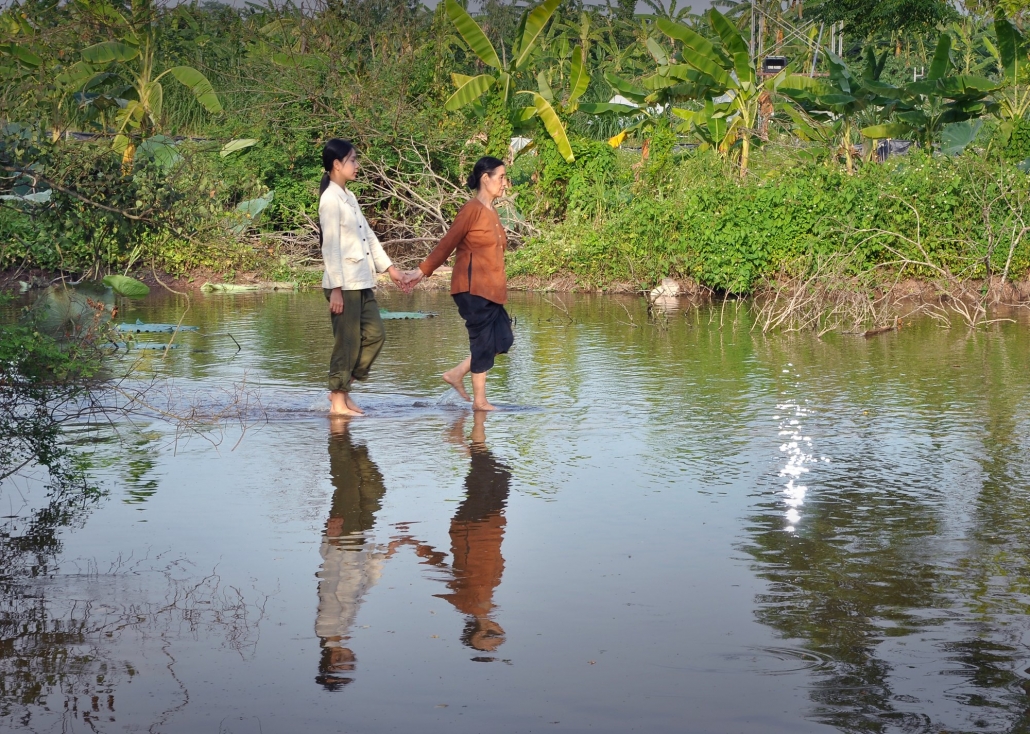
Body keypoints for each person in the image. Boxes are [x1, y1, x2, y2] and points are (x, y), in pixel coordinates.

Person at [403, 157, 513, 411]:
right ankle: (480, 402)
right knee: (483, 341)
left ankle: (457, 373)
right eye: (501, 177)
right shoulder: (471, 209)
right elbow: (448, 242)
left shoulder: (492, 211)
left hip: (492, 290)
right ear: (485, 178)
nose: (504, 183)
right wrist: (421, 272)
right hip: (472, 288)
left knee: (503, 339)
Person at [319, 138, 406, 416]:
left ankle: (340, 392)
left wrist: (391, 269)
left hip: (362, 280)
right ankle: (338, 400)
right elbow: (330, 246)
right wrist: (335, 288)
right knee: (347, 342)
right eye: (353, 160)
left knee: (375, 335)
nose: (357, 165)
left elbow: (367, 236)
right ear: (336, 165)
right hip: (343, 284)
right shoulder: (330, 199)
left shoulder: (349, 196)